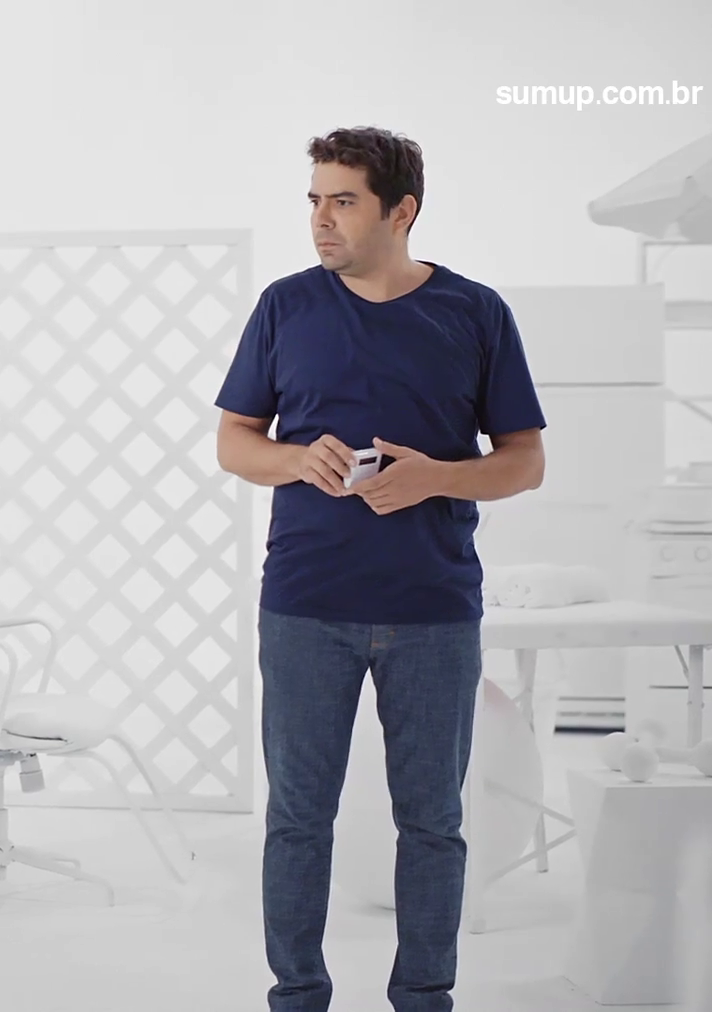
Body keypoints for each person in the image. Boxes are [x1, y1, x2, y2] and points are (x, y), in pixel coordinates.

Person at [213, 127, 548, 1011]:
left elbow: (524, 461)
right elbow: (234, 443)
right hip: (304, 605)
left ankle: (425, 998)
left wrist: (438, 476)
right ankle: (298, 996)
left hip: (435, 608)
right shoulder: (287, 306)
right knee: (296, 820)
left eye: (343, 200)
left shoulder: (476, 314)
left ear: (402, 210)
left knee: (433, 823)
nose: (321, 220)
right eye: (315, 200)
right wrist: (297, 459)